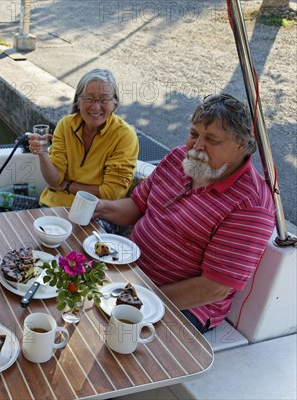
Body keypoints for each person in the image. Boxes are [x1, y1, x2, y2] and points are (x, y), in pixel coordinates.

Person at [94, 93, 276, 332]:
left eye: (211, 139)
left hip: (183, 307)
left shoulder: (251, 205)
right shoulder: (178, 157)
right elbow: (135, 207)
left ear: (241, 146)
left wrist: (139, 298)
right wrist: (96, 207)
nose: (197, 146)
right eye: (194, 134)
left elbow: (213, 288)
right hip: (130, 272)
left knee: (105, 340)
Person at [27, 68, 139, 208]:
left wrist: (67, 186)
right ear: (78, 102)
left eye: (104, 99)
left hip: (96, 211)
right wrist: (42, 153)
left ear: (114, 104)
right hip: (53, 205)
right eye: (89, 99)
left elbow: (112, 193)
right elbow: (54, 181)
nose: (96, 107)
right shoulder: (66, 125)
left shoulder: (124, 135)